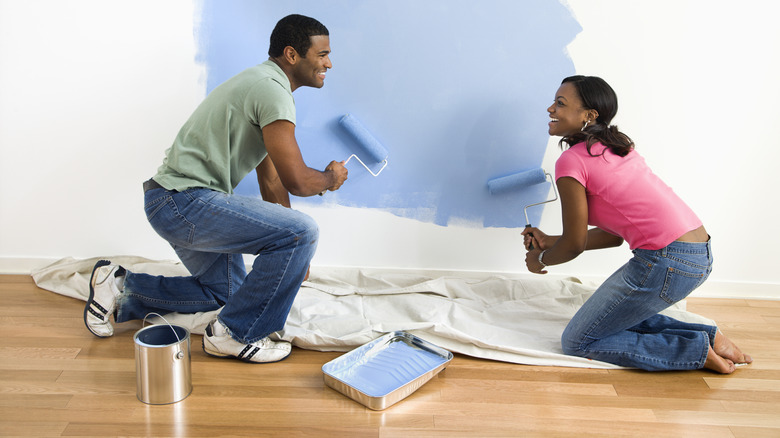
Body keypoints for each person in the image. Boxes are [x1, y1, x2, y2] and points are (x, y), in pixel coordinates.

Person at [83, 14, 348, 364]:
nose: (329, 63)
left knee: (231, 294)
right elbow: (298, 180)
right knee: (304, 232)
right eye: (322, 54)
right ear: (292, 55)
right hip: (184, 202)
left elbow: (271, 179)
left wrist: (293, 257)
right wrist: (331, 179)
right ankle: (235, 335)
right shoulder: (273, 91)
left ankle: (119, 288)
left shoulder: (260, 83)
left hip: (172, 201)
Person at [522, 75, 751, 373]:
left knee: (579, 341)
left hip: (666, 261)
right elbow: (612, 236)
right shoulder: (616, 149)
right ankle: (711, 337)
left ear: (589, 116)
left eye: (561, 103)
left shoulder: (571, 161)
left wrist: (540, 259)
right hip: (696, 255)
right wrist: (552, 241)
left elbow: (575, 245)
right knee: (607, 315)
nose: (551, 108)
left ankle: (693, 350)